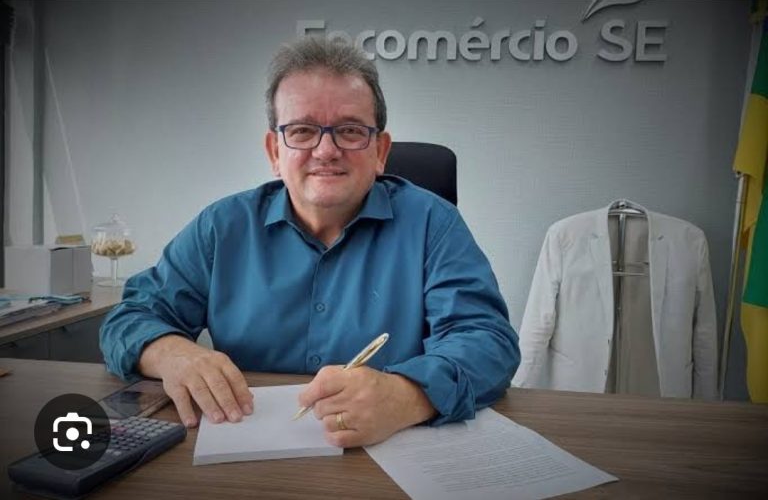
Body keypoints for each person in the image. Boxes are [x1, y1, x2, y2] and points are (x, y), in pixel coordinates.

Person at [100, 37, 519, 448]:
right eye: (302, 131)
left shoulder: (432, 223)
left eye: (350, 131)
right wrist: (171, 353)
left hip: (386, 455)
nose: (326, 150)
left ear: (380, 151)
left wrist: (406, 395)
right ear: (274, 151)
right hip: (246, 451)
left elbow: (487, 340)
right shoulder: (222, 227)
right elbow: (130, 317)